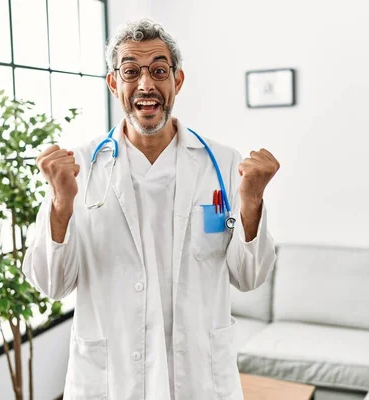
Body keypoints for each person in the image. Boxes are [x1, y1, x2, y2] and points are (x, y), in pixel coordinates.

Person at [23, 17, 280, 400]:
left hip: (197, 376)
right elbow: (51, 284)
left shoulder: (223, 163)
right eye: (131, 72)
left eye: (159, 71)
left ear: (177, 81)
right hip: (113, 380)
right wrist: (62, 203)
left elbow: (249, 276)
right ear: (114, 84)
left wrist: (252, 201)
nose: (146, 84)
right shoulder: (77, 167)